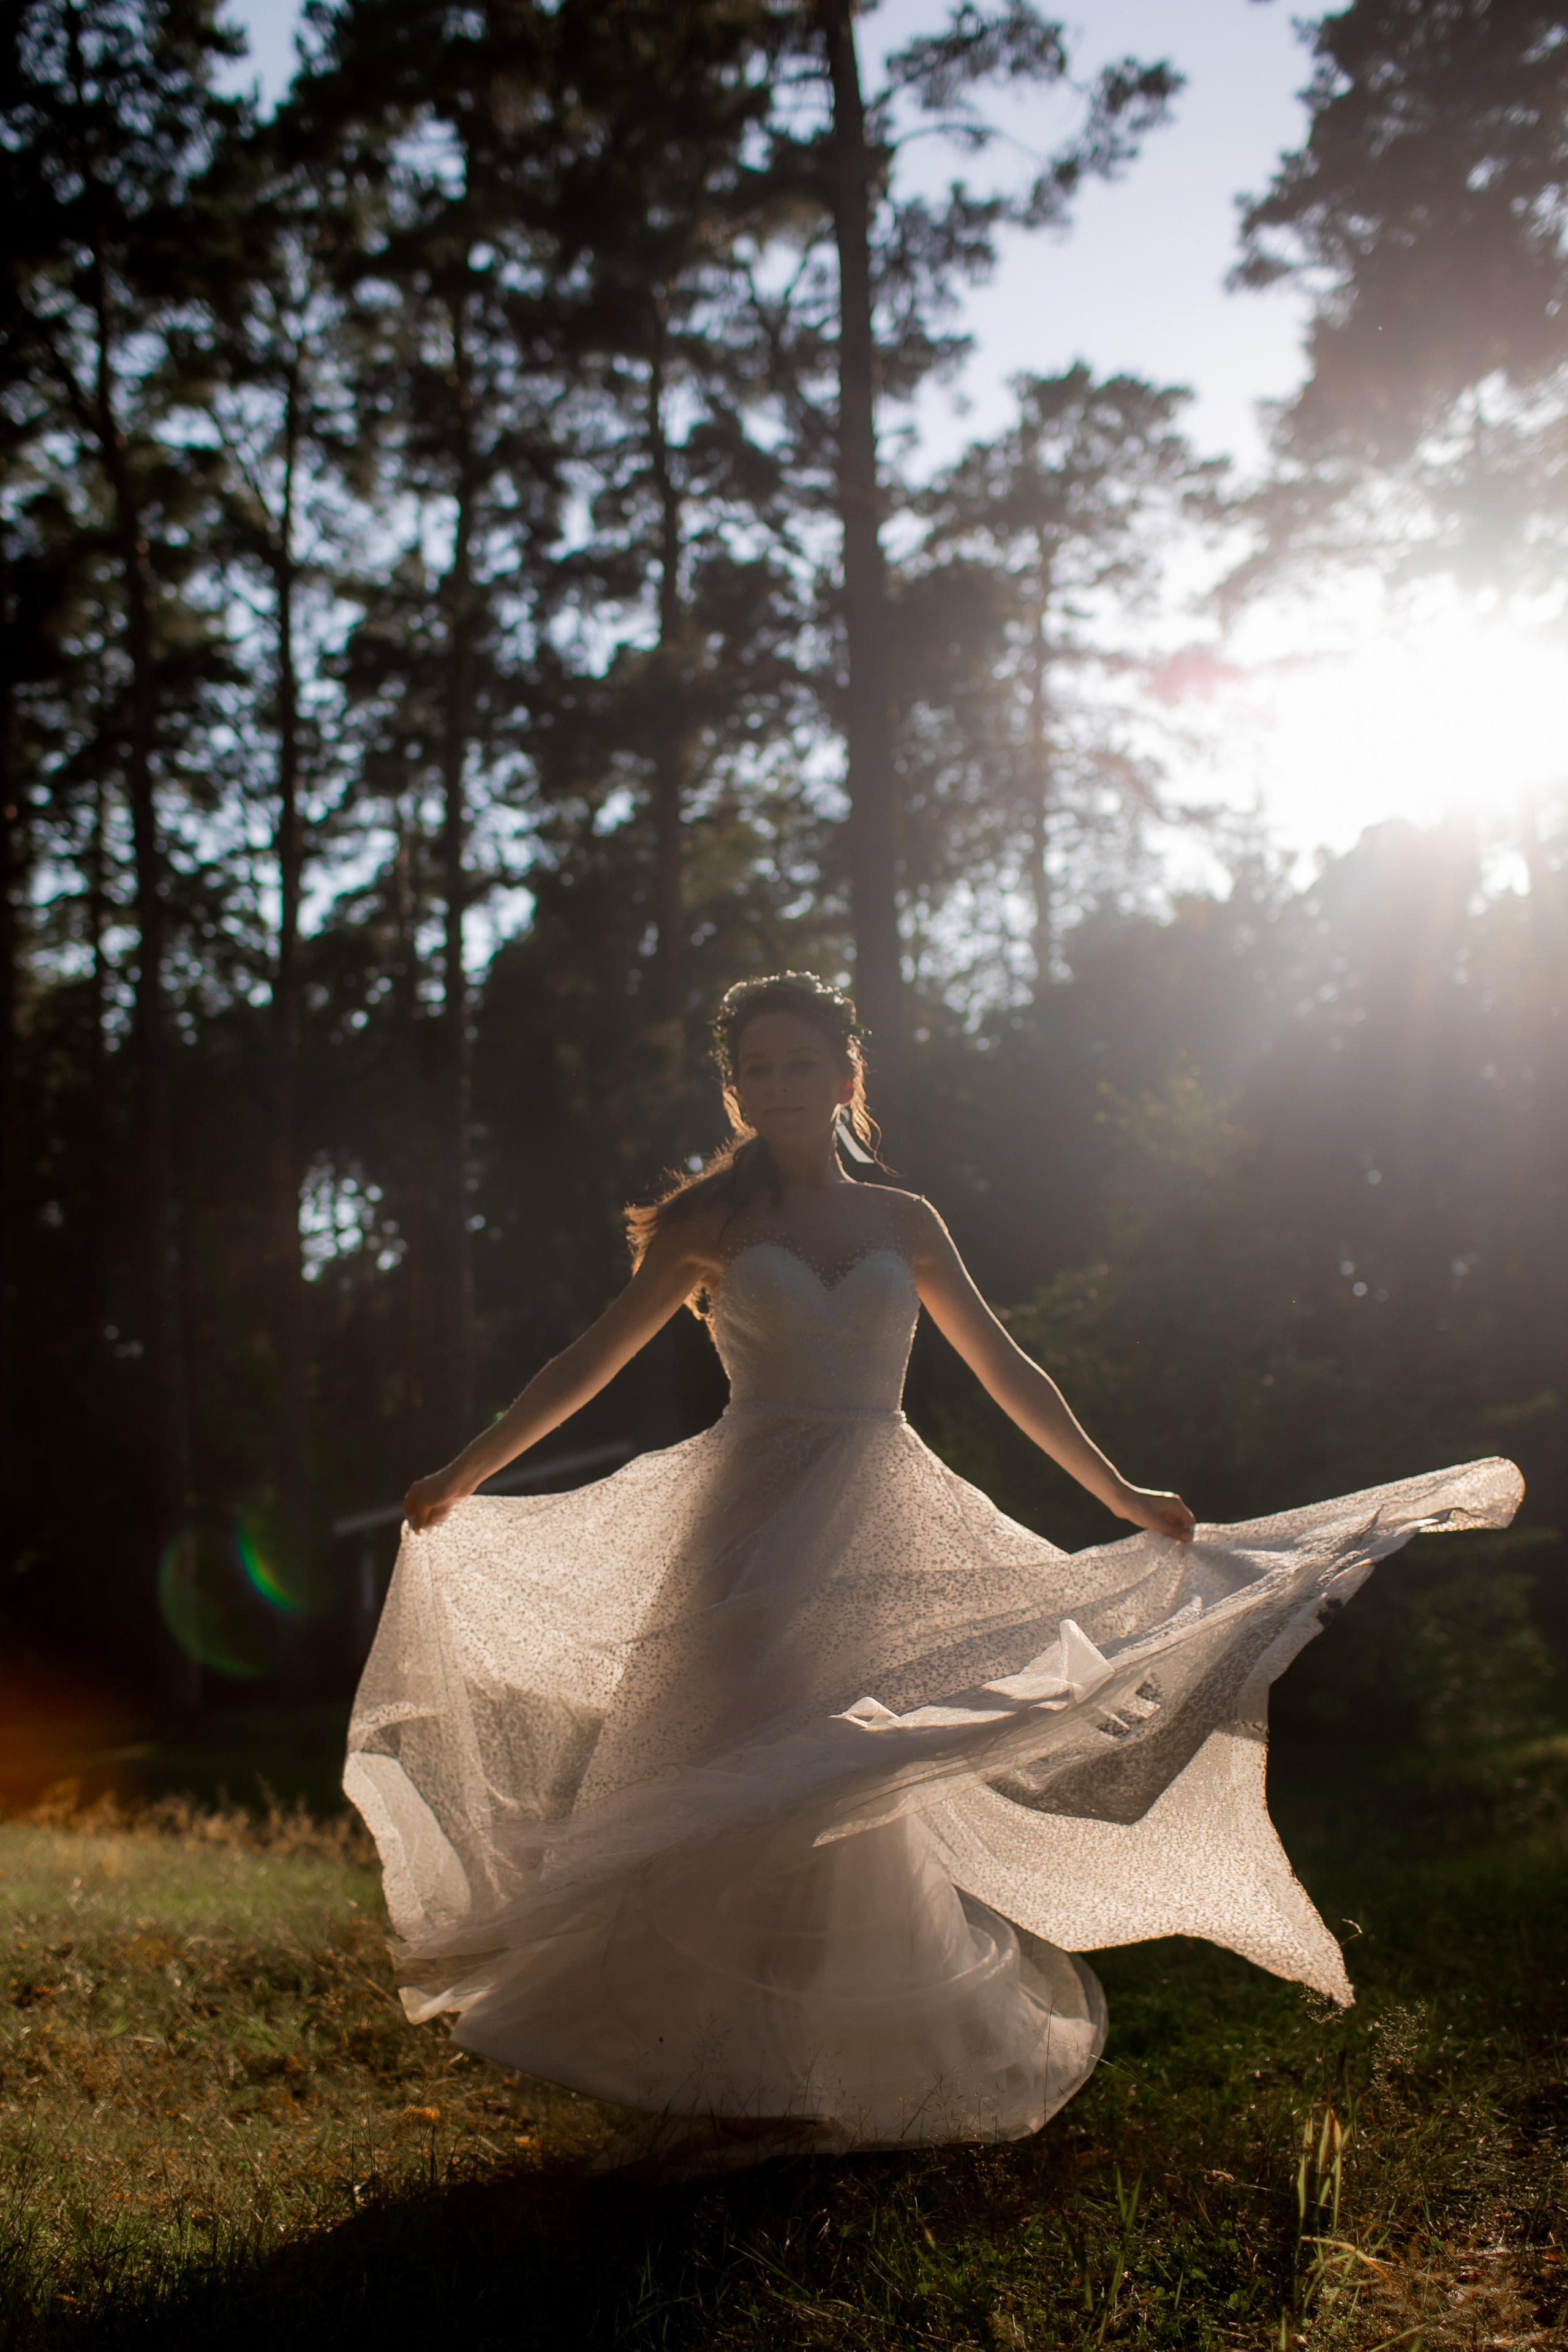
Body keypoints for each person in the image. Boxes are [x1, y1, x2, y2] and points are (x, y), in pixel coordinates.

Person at [345, 971, 1520, 2168]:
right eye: (758, 1069)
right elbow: (581, 1364)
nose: (781, 1086)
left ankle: (831, 2067)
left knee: (858, 1773)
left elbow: (1009, 1374)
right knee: (747, 1772)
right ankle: (735, 2068)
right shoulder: (708, 1221)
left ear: (847, 1078)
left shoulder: (903, 1223)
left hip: (877, 1520)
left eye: (804, 1064)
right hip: (744, 1528)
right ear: (735, 1088)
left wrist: (1117, 1494)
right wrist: (466, 1468)